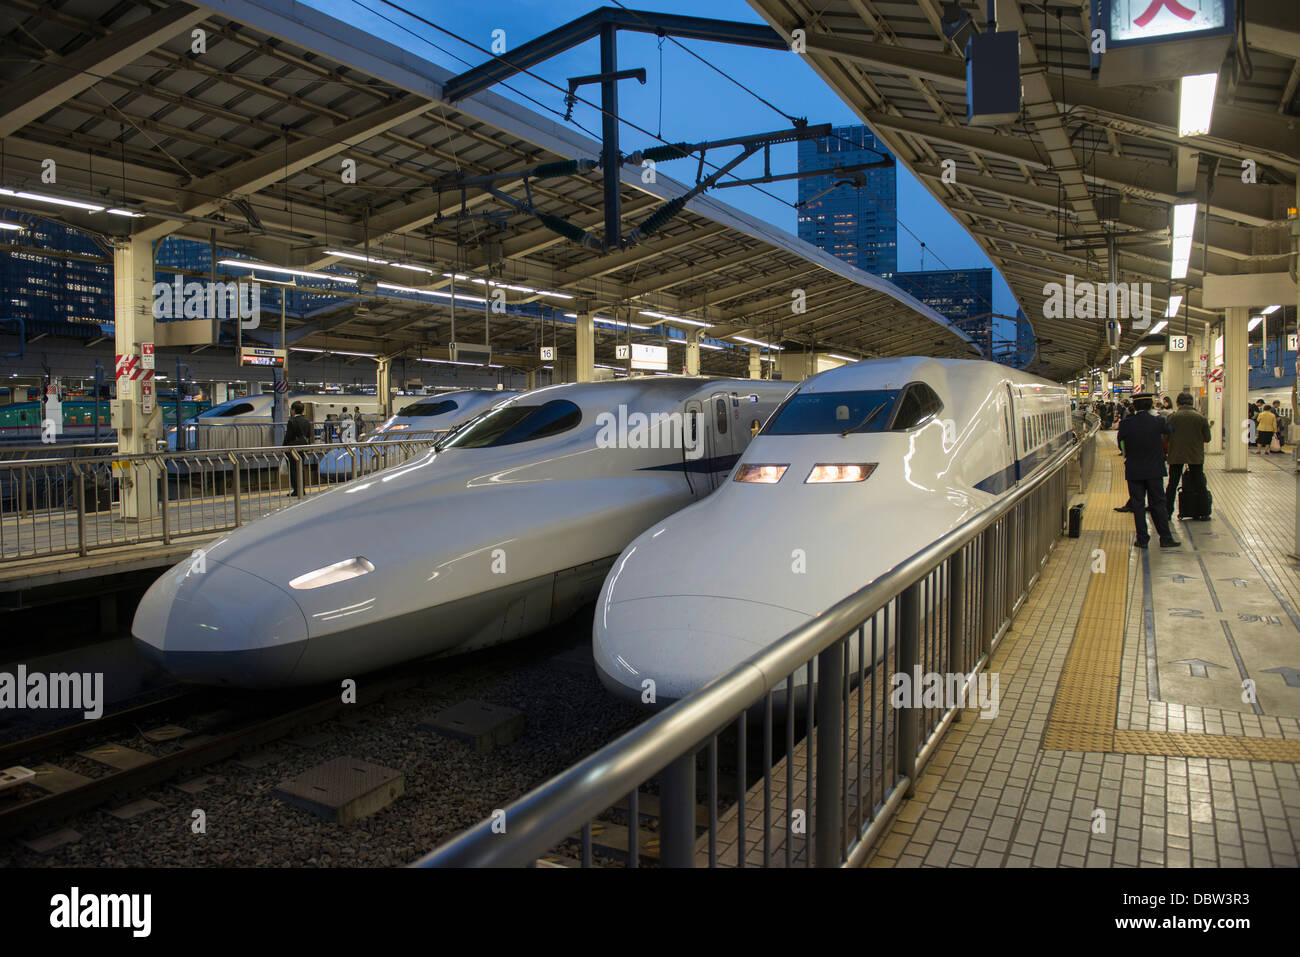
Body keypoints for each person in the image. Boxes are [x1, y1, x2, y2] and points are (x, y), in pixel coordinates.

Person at [1116, 393, 1179, 549]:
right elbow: (1170, 429)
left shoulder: (1126, 423)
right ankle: (1165, 538)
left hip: (1134, 470)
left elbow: (1120, 444)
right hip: (1154, 471)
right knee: (1158, 504)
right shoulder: (1158, 421)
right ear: (1151, 406)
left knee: (1137, 505)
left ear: (1135, 406)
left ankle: (1142, 539)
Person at [1165, 392, 1211, 511]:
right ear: (1192, 403)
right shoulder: (1200, 418)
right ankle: (1204, 511)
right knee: (1200, 484)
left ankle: (1168, 511)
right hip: (1195, 456)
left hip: (1176, 455)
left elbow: (1165, 438)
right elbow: (1207, 438)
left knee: (1172, 484)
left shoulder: (1172, 418)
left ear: (1177, 403)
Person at [283, 400, 313, 496]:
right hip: (303, 448)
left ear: (294, 410)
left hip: (293, 449)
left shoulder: (292, 421)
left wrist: (284, 448)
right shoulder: (307, 421)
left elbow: (288, 436)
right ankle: (302, 489)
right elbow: (308, 435)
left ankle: (296, 490)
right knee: (301, 468)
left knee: (293, 469)